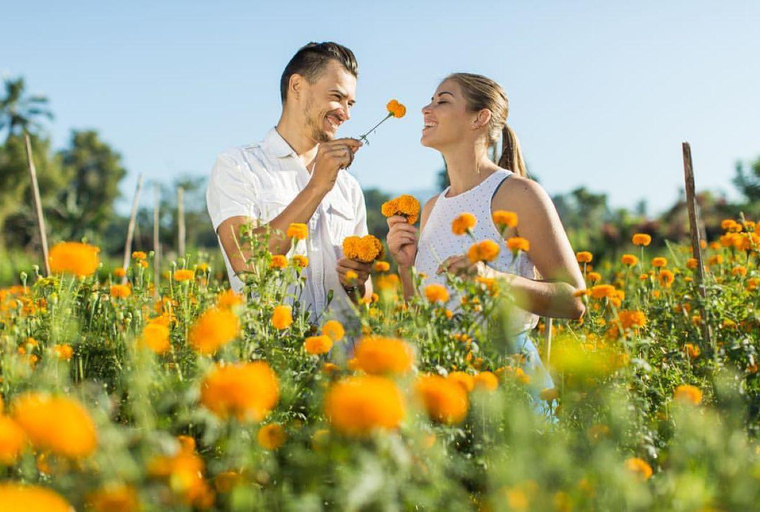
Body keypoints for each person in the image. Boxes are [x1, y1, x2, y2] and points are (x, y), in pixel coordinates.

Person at [386, 72, 586, 399]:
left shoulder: (519, 193)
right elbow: (418, 318)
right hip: (442, 379)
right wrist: (406, 267)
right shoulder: (432, 207)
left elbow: (576, 301)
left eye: (442, 101)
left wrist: (493, 280)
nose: (426, 108)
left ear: (480, 118)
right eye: (431, 100)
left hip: (509, 380)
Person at [206, 42, 373, 322]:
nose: (346, 113)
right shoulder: (237, 166)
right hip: (275, 360)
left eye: (350, 103)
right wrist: (317, 187)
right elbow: (246, 261)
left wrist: (357, 281)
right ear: (297, 86)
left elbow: (364, 296)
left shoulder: (349, 187)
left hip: (344, 360)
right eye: (337, 97)